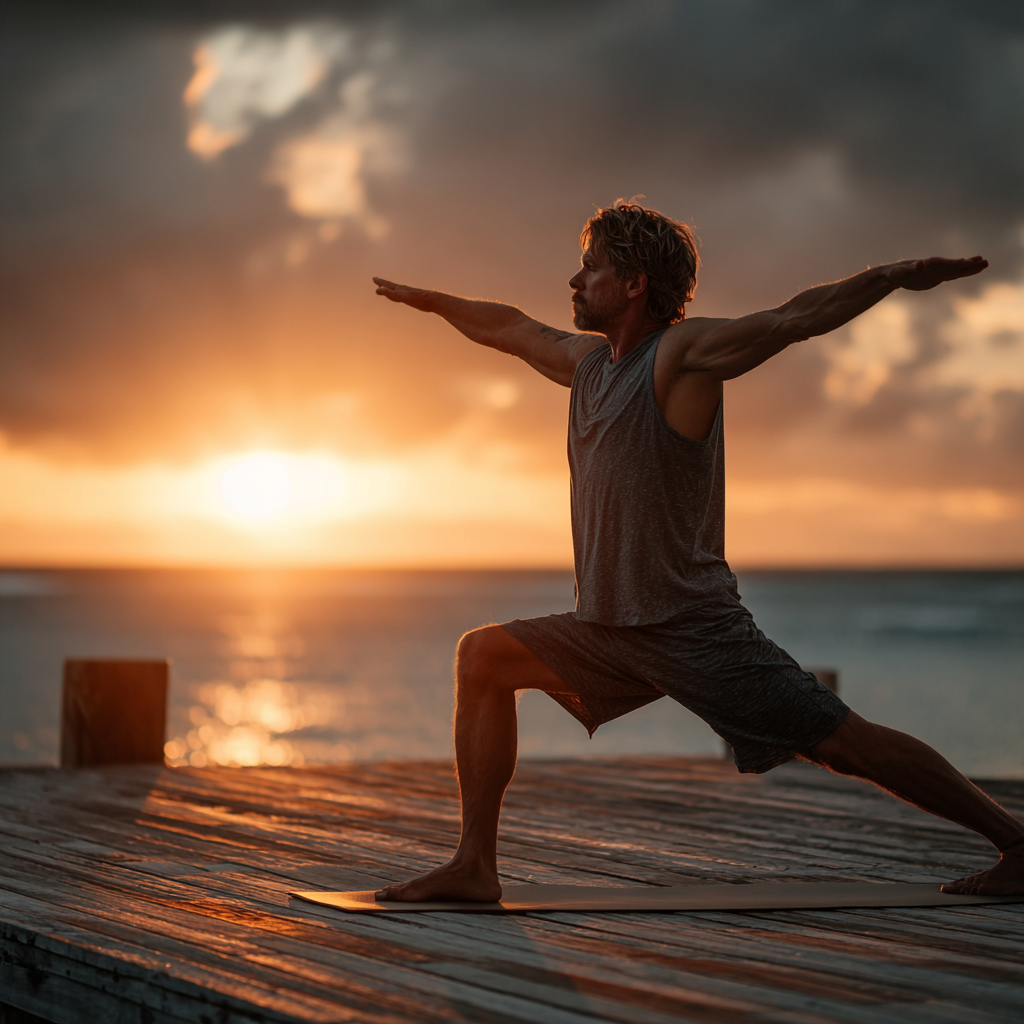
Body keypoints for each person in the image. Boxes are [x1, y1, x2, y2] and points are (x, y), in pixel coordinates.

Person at [371, 199, 1024, 901]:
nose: (574, 280)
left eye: (591, 268)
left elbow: (790, 320)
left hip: (694, 631)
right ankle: (475, 865)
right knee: (484, 656)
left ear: (633, 285)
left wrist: (890, 277)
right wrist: (433, 301)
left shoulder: (681, 360)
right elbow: (510, 327)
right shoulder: (588, 365)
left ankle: (1018, 842)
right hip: (610, 630)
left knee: (845, 745)